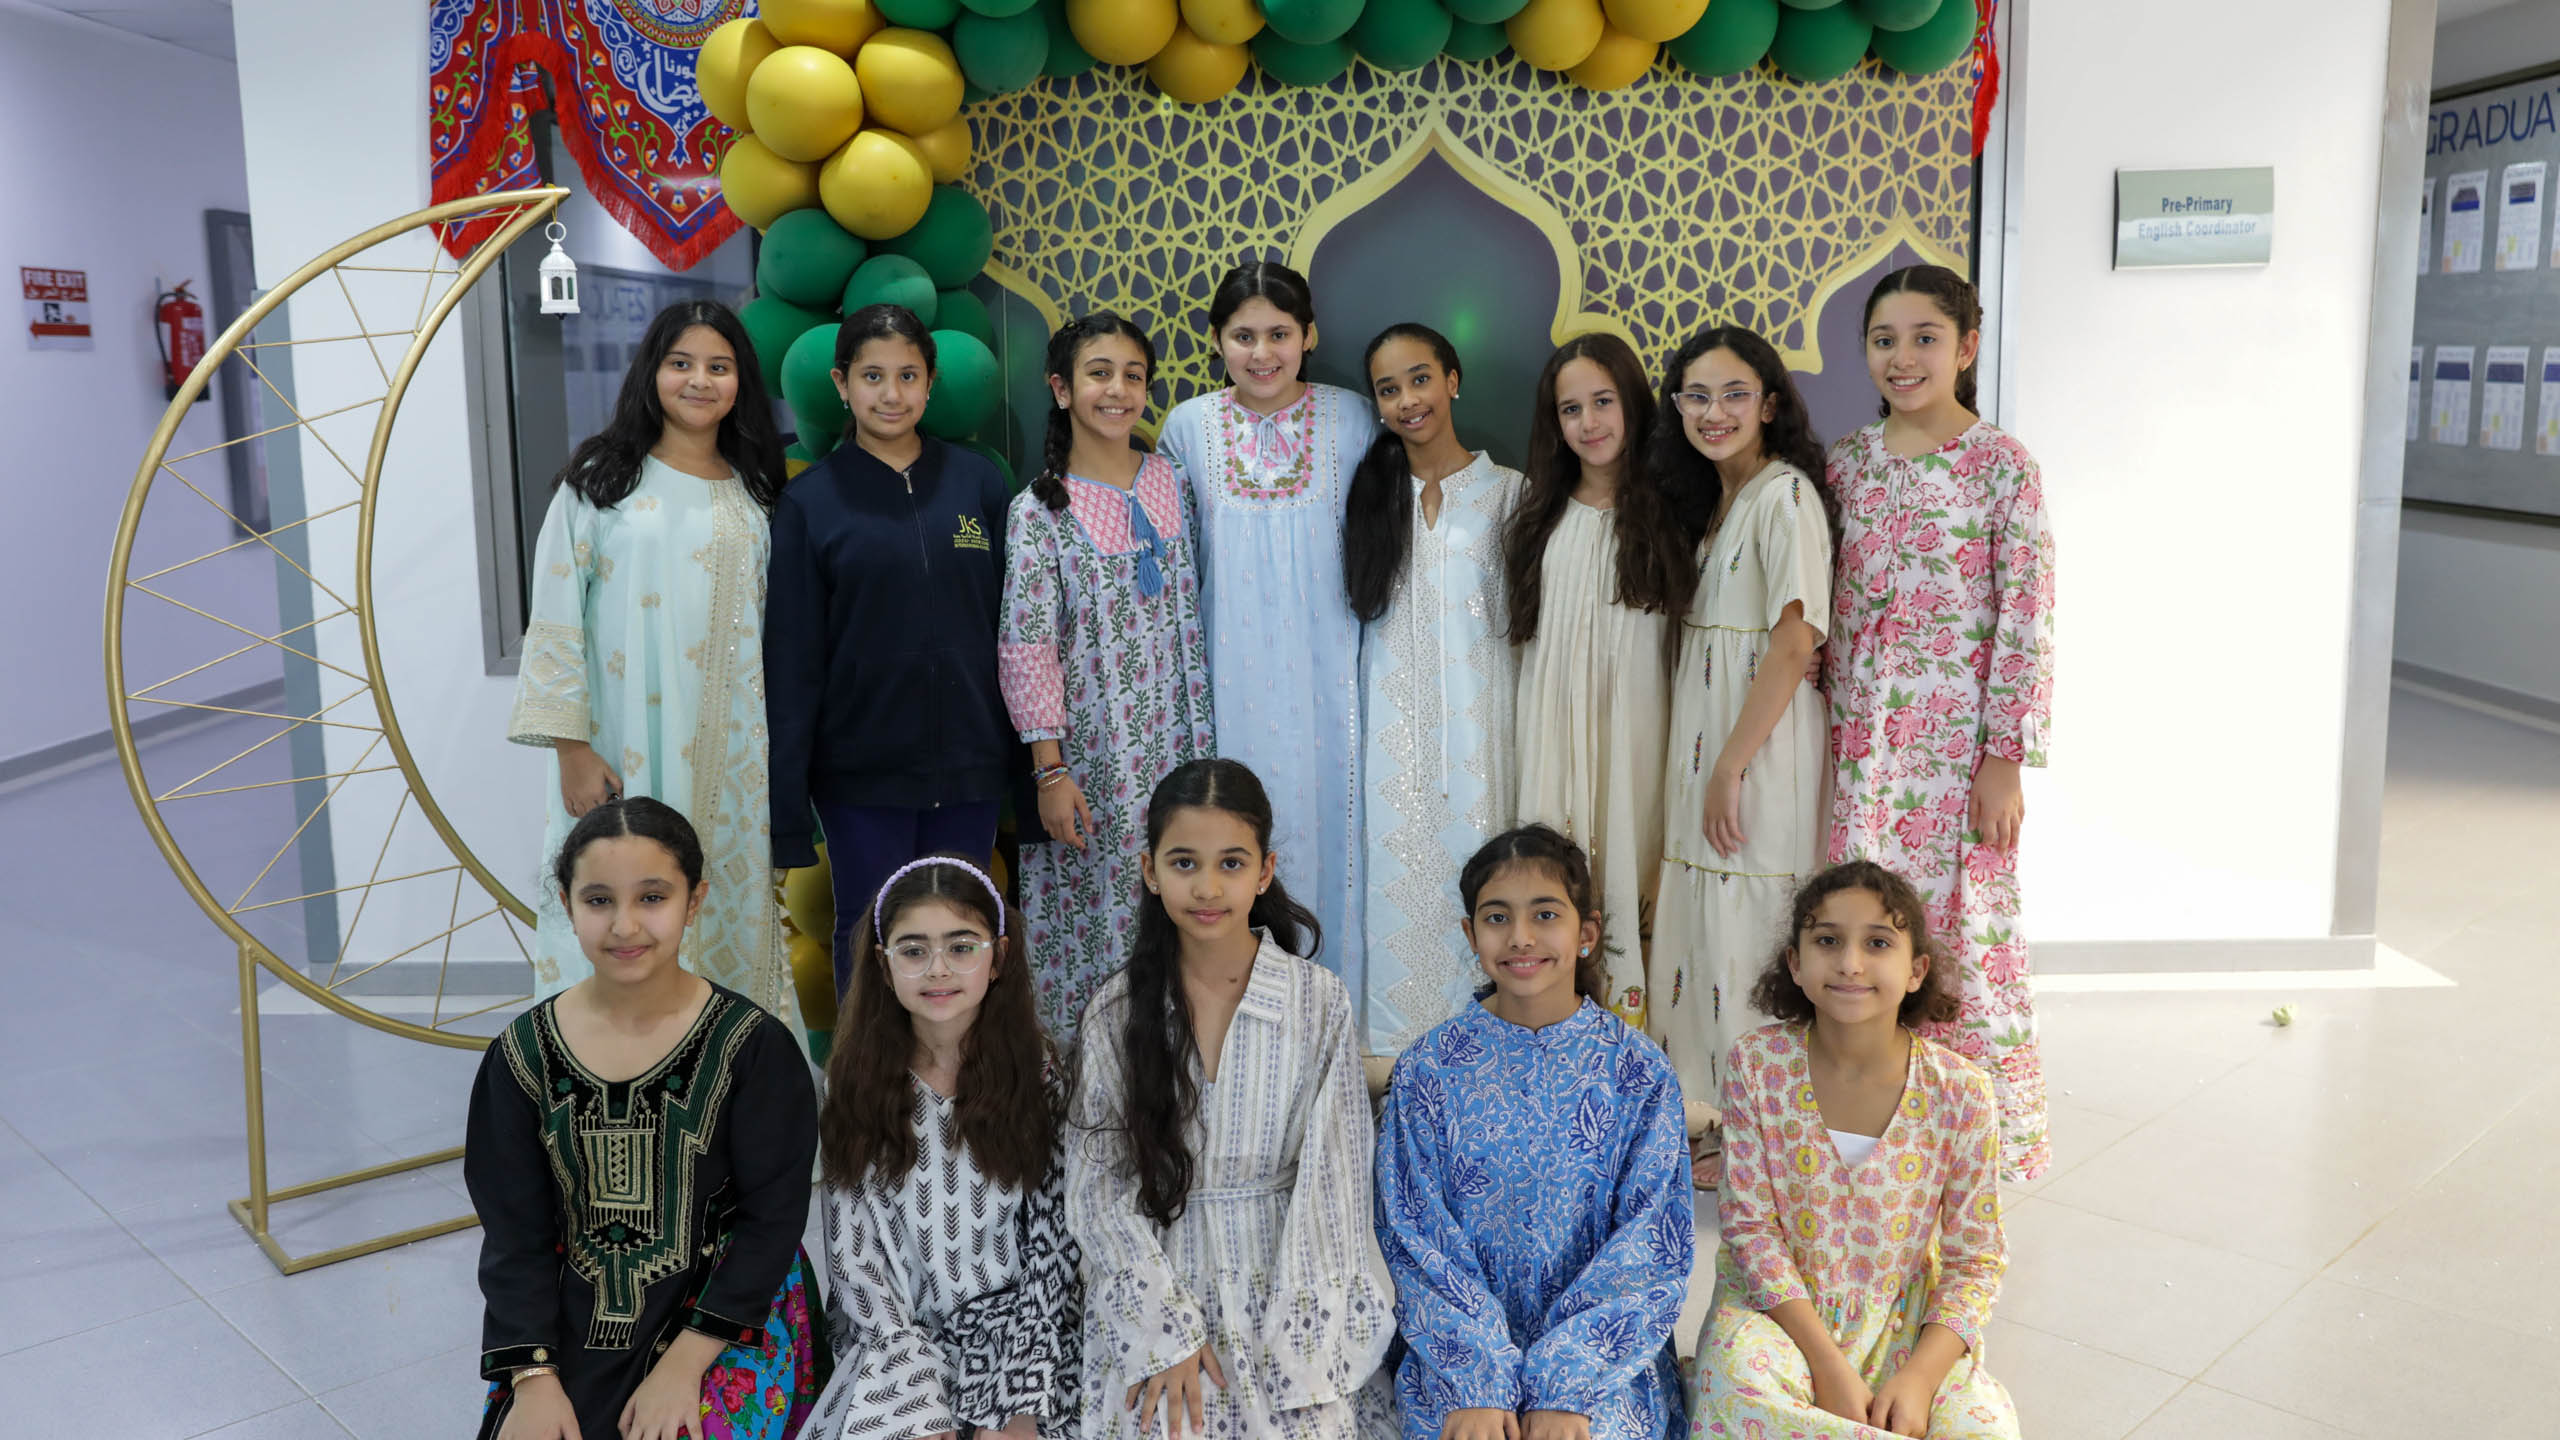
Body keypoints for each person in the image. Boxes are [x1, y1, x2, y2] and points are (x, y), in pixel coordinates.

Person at [465, 797, 824, 1440]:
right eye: (598, 900)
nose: (625, 925)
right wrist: (535, 1377)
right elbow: (514, 1234)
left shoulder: (753, 1048)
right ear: (567, 903)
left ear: (694, 901)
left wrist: (683, 1366)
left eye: (652, 897)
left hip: (726, 1309)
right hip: (573, 1314)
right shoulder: (521, 1056)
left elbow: (772, 1221)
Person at [1065, 758, 1394, 1440]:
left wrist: (1303, 1350)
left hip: (1286, 1286)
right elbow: (1096, 1191)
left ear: (1265, 872)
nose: (1208, 887)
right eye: (1184, 863)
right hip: (1158, 1285)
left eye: (1232, 863)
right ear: (1150, 870)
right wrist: (1163, 1334)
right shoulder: (1116, 1012)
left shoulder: (1316, 1002)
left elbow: (1334, 1186)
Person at [505, 299, 803, 1039]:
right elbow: (556, 617)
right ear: (651, 372)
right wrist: (572, 749)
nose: (699, 380)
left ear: (741, 382)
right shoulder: (600, 480)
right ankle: (600, 1070)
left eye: (718, 367)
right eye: (681, 363)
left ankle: (729, 1075)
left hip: (731, 755)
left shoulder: (756, 488)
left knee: (721, 903)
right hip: (621, 740)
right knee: (619, 897)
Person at [1825, 265, 2056, 1181]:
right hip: (1859, 755)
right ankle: (1870, 1134)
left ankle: (1972, 1149)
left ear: (1966, 347)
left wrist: (2006, 760)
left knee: (1959, 941)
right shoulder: (1845, 464)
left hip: (1957, 757)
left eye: (1925, 337)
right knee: (1860, 935)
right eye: (1885, 340)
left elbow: (2027, 618)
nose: (1903, 357)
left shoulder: (2003, 466)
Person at [1375, 824, 1694, 1440]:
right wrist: (1477, 1381)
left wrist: (1568, 1385)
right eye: (1497, 917)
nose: (1520, 936)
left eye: (1545, 914)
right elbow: (1414, 1235)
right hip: (1456, 1357)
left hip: (1602, 1364)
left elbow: (1653, 1246)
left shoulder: (1638, 1072)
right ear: (1471, 935)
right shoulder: (1429, 1069)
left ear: (1586, 933)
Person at [1687, 861, 2019, 1439]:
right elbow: (1750, 1229)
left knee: (1985, 1430)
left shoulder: (1962, 1092)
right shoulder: (1757, 1065)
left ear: (1916, 970)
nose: (1850, 963)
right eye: (1827, 941)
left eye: (1878, 943)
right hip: (1778, 1316)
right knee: (1740, 1392)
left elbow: (1976, 1261)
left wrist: (1919, 1381)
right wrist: (1829, 1368)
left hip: (1907, 1328)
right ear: (1795, 962)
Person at [765, 304, 1016, 1002]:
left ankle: (960, 1070)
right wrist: (787, 803)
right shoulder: (810, 503)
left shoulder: (978, 484)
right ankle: (869, 1074)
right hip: (859, 770)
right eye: (872, 376)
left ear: (930, 383)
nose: (891, 394)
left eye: (907, 375)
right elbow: (791, 660)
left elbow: (1017, 630)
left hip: (970, 761)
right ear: (841, 384)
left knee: (962, 927)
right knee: (871, 926)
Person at [803, 855, 1081, 1440]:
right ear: (884, 966)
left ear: (998, 958)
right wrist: (917, 1404)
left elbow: (1053, 1253)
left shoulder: (1039, 1075)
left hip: (1024, 1344)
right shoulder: (853, 1083)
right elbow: (855, 1262)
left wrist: (1017, 1403)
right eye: (913, 950)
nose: (938, 969)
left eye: (961, 947)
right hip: (896, 1345)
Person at [1156, 260, 1369, 1005]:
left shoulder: (1354, 418)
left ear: (1309, 335)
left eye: (1279, 333)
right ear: (1217, 341)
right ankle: (1236, 1007)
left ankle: (1332, 1009)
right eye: (1243, 336)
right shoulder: (1188, 427)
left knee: (1337, 832)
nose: (1262, 352)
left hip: (1334, 678)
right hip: (1230, 679)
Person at [1000, 311, 1215, 1036]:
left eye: (1132, 375)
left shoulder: (1175, 482)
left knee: (1187, 900)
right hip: (1097, 761)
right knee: (1106, 917)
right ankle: (1095, 1085)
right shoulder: (1038, 510)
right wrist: (1050, 772)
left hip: (1184, 744)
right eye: (1099, 374)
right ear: (1061, 389)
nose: (1117, 390)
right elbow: (1027, 645)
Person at [1646, 326, 1836, 1125]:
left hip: (1758, 750)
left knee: (1750, 926)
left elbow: (1795, 641)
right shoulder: (1716, 502)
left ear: (1768, 404)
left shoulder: (1784, 495)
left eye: (1733, 394)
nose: (1713, 412)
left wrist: (1729, 766)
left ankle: (1759, 1126)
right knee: (1705, 929)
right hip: (1710, 749)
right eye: (1696, 396)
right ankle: (1704, 1115)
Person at [1502, 334, 1700, 1030]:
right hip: (1556, 727)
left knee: (1633, 848)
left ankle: (1631, 1024)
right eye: (1571, 409)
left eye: (1603, 402)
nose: (1589, 423)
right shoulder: (1539, 515)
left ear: (1633, 404)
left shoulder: (1678, 509)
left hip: (1640, 727)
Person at [1346, 323, 1524, 1054]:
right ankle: (1394, 1064)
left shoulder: (1511, 493)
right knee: (1392, 899)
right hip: (1388, 750)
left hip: (1482, 741)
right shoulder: (1367, 498)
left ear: (1452, 380)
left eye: (1420, 379)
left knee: (1482, 887)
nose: (1407, 400)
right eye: (1388, 389)